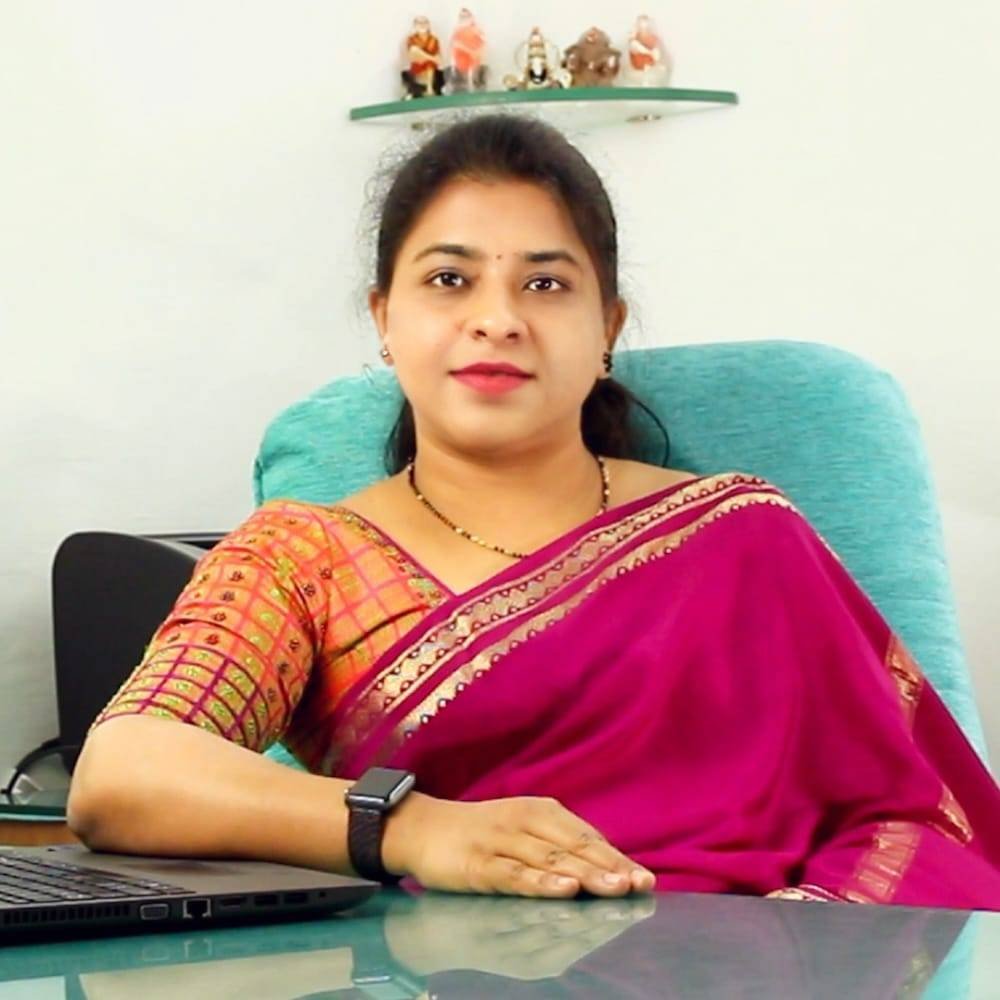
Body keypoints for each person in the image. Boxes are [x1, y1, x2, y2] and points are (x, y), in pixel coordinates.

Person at [68, 114, 1000, 909]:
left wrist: (774, 955)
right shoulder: (302, 558)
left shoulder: (743, 533)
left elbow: (915, 820)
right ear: (384, 320)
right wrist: (412, 829)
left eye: (546, 284)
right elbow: (123, 772)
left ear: (607, 332)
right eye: (449, 279)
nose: (498, 318)